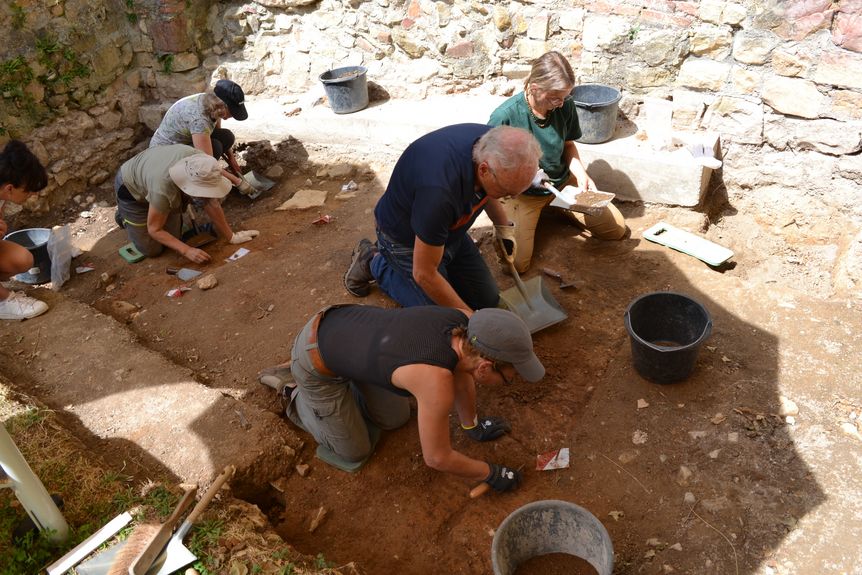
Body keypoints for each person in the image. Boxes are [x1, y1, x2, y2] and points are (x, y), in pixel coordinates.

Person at [258, 304, 544, 492]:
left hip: (353, 334)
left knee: (395, 418)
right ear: (485, 367)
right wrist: (489, 473)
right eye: (508, 377)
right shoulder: (435, 382)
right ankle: (293, 389)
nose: (509, 381)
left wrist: (472, 425)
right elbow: (437, 457)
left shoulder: (464, 326)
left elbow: (463, 374)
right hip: (315, 355)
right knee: (354, 451)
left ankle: (349, 375)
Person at [343, 124, 541, 311]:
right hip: (406, 241)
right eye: (507, 192)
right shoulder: (439, 193)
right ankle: (374, 260)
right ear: (484, 170)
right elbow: (424, 273)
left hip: (449, 231)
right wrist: (468, 318)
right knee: (446, 320)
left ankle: (445, 266)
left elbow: (488, 191)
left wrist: (503, 227)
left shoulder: (496, 145)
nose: (511, 198)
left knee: (488, 302)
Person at [488, 51, 627, 273]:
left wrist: (580, 174)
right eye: (555, 97)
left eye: (565, 97)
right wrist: (523, 175)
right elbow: (490, 168)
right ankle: (519, 216)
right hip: (523, 194)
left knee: (616, 229)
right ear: (534, 88)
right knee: (516, 264)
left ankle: (558, 207)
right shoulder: (505, 116)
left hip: (562, 186)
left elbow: (568, 145)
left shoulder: (565, 105)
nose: (561, 103)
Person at [114, 144, 259, 264]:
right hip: (131, 189)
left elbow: (210, 199)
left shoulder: (201, 162)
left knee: (174, 237)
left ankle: (156, 209)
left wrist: (231, 236)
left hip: (153, 174)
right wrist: (187, 250)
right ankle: (123, 216)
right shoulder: (164, 189)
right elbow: (154, 229)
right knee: (153, 250)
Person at [149, 79, 254, 194]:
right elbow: (207, 161)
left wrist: (232, 160)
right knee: (215, 148)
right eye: (233, 112)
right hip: (164, 156)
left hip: (184, 142)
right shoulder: (200, 120)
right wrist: (237, 181)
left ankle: (207, 173)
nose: (233, 116)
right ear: (221, 106)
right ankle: (196, 180)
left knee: (226, 137)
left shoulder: (212, 104)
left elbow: (216, 130)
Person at [0, 140, 50, 320]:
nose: (33, 194)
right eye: (28, 191)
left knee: (22, 260)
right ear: (10, 188)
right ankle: (3, 301)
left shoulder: (2, 195)